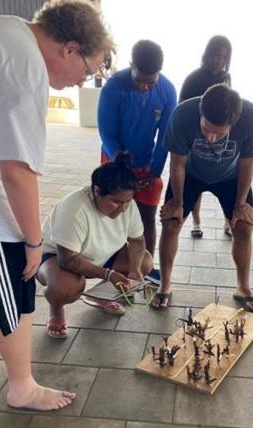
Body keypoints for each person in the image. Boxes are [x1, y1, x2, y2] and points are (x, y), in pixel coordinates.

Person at [0, 0, 113, 411]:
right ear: (70, 49)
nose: (82, 82)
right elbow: (17, 169)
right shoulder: (25, 65)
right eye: (89, 71)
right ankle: (23, 387)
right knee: (18, 282)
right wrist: (34, 242)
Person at [154, 83, 253, 313]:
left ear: (233, 123)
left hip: (231, 176)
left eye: (221, 133)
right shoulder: (183, 114)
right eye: (206, 130)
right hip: (191, 174)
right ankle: (165, 284)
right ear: (200, 112)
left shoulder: (252, 118)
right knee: (171, 223)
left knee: (243, 226)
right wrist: (177, 201)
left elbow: (248, 164)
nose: (212, 139)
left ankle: (243, 288)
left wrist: (241, 204)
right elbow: (177, 164)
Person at [37, 153, 154, 338]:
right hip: (58, 258)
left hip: (102, 253)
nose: (122, 209)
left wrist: (135, 271)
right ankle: (56, 312)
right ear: (97, 191)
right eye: (115, 202)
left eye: (127, 202)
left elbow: (137, 241)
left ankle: (100, 295)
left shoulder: (127, 205)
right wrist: (109, 274)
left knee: (144, 262)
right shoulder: (74, 208)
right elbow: (68, 260)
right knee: (65, 287)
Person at [98, 39, 177, 279]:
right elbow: (107, 133)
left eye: (150, 82)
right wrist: (122, 165)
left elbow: (166, 136)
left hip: (147, 165)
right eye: (139, 80)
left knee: (147, 217)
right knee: (113, 213)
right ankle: (114, 265)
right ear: (131, 65)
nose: (144, 86)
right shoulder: (113, 87)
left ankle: (147, 267)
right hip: (115, 161)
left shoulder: (167, 91)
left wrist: (154, 170)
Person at [179, 35, 233, 239]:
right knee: (196, 183)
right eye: (217, 56)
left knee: (225, 180)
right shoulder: (194, 79)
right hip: (195, 139)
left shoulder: (227, 77)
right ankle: (196, 221)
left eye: (224, 57)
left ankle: (228, 222)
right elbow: (181, 111)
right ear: (208, 55)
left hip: (219, 139)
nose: (220, 61)